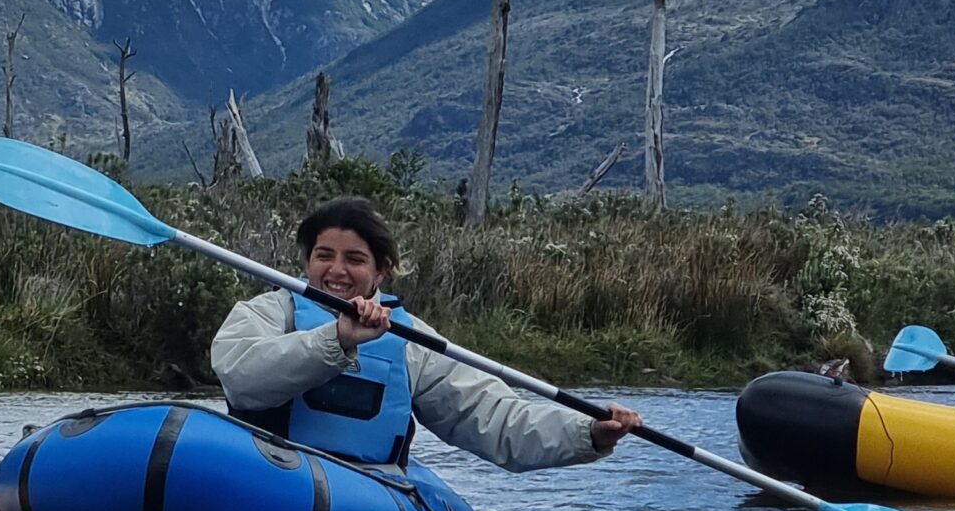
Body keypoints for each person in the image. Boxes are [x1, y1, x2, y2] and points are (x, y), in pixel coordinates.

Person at [210, 194, 642, 472]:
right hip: (266, 477)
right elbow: (244, 382)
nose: (336, 271)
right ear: (307, 261)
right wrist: (337, 339)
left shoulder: (411, 339)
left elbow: (494, 419)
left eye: (355, 260)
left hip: (363, 496)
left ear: (381, 270)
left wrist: (588, 433)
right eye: (324, 255)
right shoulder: (268, 313)